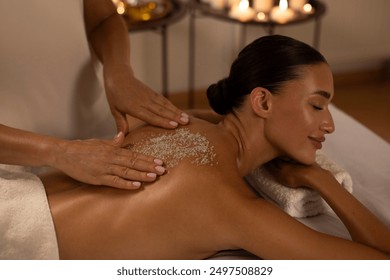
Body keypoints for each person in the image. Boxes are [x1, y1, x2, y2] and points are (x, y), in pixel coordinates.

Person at [40, 35, 390, 259]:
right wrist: (322, 180)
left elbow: (222, 119)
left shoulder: (177, 119)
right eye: (317, 105)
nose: (329, 125)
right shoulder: (235, 208)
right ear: (262, 102)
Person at [0, 0, 189, 190]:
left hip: (101, 137)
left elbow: (103, 18)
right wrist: (59, 152)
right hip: (16, 166)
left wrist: (119, 72)